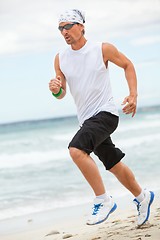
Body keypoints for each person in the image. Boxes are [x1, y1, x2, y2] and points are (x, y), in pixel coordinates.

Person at [49, 9, 154, 226]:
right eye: (61, 28)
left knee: (76, 150)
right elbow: (61, 94)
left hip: (106, 113)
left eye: (68, 26)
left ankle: (103, 200)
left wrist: (133, 94)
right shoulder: (61, 58)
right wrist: (55, 89)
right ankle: (143, 197)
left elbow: (128, 65)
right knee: (113, 163)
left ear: (81, 26)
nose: (64, 31)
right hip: (87, 120)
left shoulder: (101, 49)